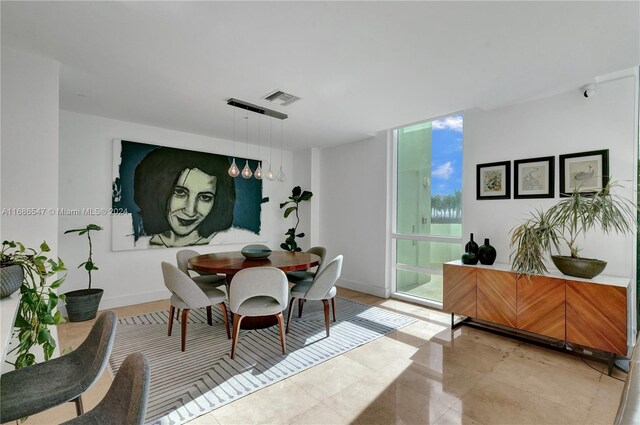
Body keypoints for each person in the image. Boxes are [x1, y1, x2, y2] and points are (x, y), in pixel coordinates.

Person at [134, 147, 236, 247]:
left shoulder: (231, 241)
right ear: (157, 193)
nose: (190, 212)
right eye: (180, 192)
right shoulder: (140, 245)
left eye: (205, 197)